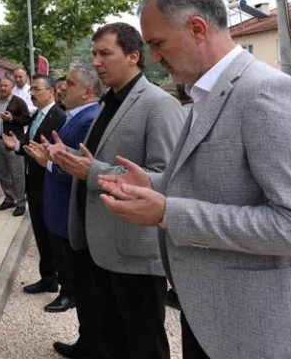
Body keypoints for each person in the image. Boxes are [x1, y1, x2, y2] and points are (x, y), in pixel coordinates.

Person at [98, 0, 291, 359]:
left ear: (197, 28)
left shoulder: (268, 94)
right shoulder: (204, 95)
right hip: (215, 319)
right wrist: (155, 185)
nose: (155, 58)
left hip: (263, 330)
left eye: (158, 44)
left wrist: (166, 212)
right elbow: (219, 186)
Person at [51, 23, 184, 359]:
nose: (95, 61)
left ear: (133, 57)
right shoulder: (110, 103)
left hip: (133, 252)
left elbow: (165, 177)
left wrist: (93, 172)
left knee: (143, 343)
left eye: (104, 53)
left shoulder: (157, 104)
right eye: (94, 53)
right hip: (98, 245)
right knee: (110, 339)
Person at [23, 66, 102, 340]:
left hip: (66, 204)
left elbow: (78, 168)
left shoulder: (89, 119)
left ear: (87, 92)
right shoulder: (72, 116)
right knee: (60, 255)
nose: (62, 87)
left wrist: (49, 163)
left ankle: (69, 296)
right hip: (54, 202)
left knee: (74, 269)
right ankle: (84, 337)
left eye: (69, 83)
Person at [3, 75, 67, 307]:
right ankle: (48, 278)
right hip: (35, 182)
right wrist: (18, 146)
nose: (32, 94)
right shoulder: (37, 115)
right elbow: (34, 148)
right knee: (40, 232)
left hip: (50, 183)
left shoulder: (59, 117)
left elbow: (57, 152)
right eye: (31, 90)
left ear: (50, 91)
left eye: (37, 89)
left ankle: (66, 286)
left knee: (54, 236)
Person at [0, 76, 31, 216]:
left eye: (6, 86)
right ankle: (9, 197)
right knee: (3, 172)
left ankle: (20, 202)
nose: (3, 88)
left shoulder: (18, 102)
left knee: (16, 173)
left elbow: (26, 120)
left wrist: (12, 118)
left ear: (12, 88)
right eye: (1, 86)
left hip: (12, 143)